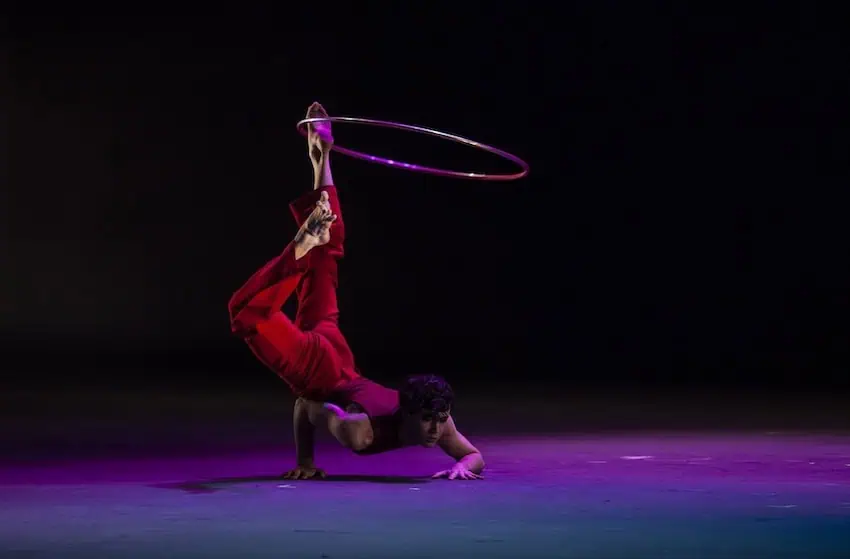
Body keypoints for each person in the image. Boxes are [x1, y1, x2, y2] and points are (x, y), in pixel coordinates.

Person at [228, 102, 485, 481]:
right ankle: (298, 247)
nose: (435, 430)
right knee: (246, 315)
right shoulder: (358, 432)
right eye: (430, 421)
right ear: (409, 413)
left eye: (439, 420)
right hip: (324, 371)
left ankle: (321, 157)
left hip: (339, 352)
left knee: (326, 254)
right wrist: (306, 461)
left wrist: (461, 467)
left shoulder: (440, 422)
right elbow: (306, 406)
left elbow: (474, 455)